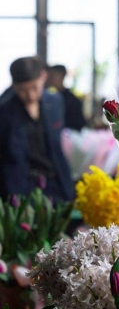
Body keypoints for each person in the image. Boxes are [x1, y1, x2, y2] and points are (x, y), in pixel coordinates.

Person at [0, 56, 74, 202]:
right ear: (14, 86)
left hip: (55, 185)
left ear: (43, 77)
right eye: (23, 90)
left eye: (35, 87)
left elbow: (57, 148)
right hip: (20, 189)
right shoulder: (5, 112)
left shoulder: (55, 102)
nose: (30, 95)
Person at [46, 65, 87, 131]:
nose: (50, 79)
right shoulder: (49, 97)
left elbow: (79, 124)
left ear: (62, 76)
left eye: (52, 76)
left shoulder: (71, 100)